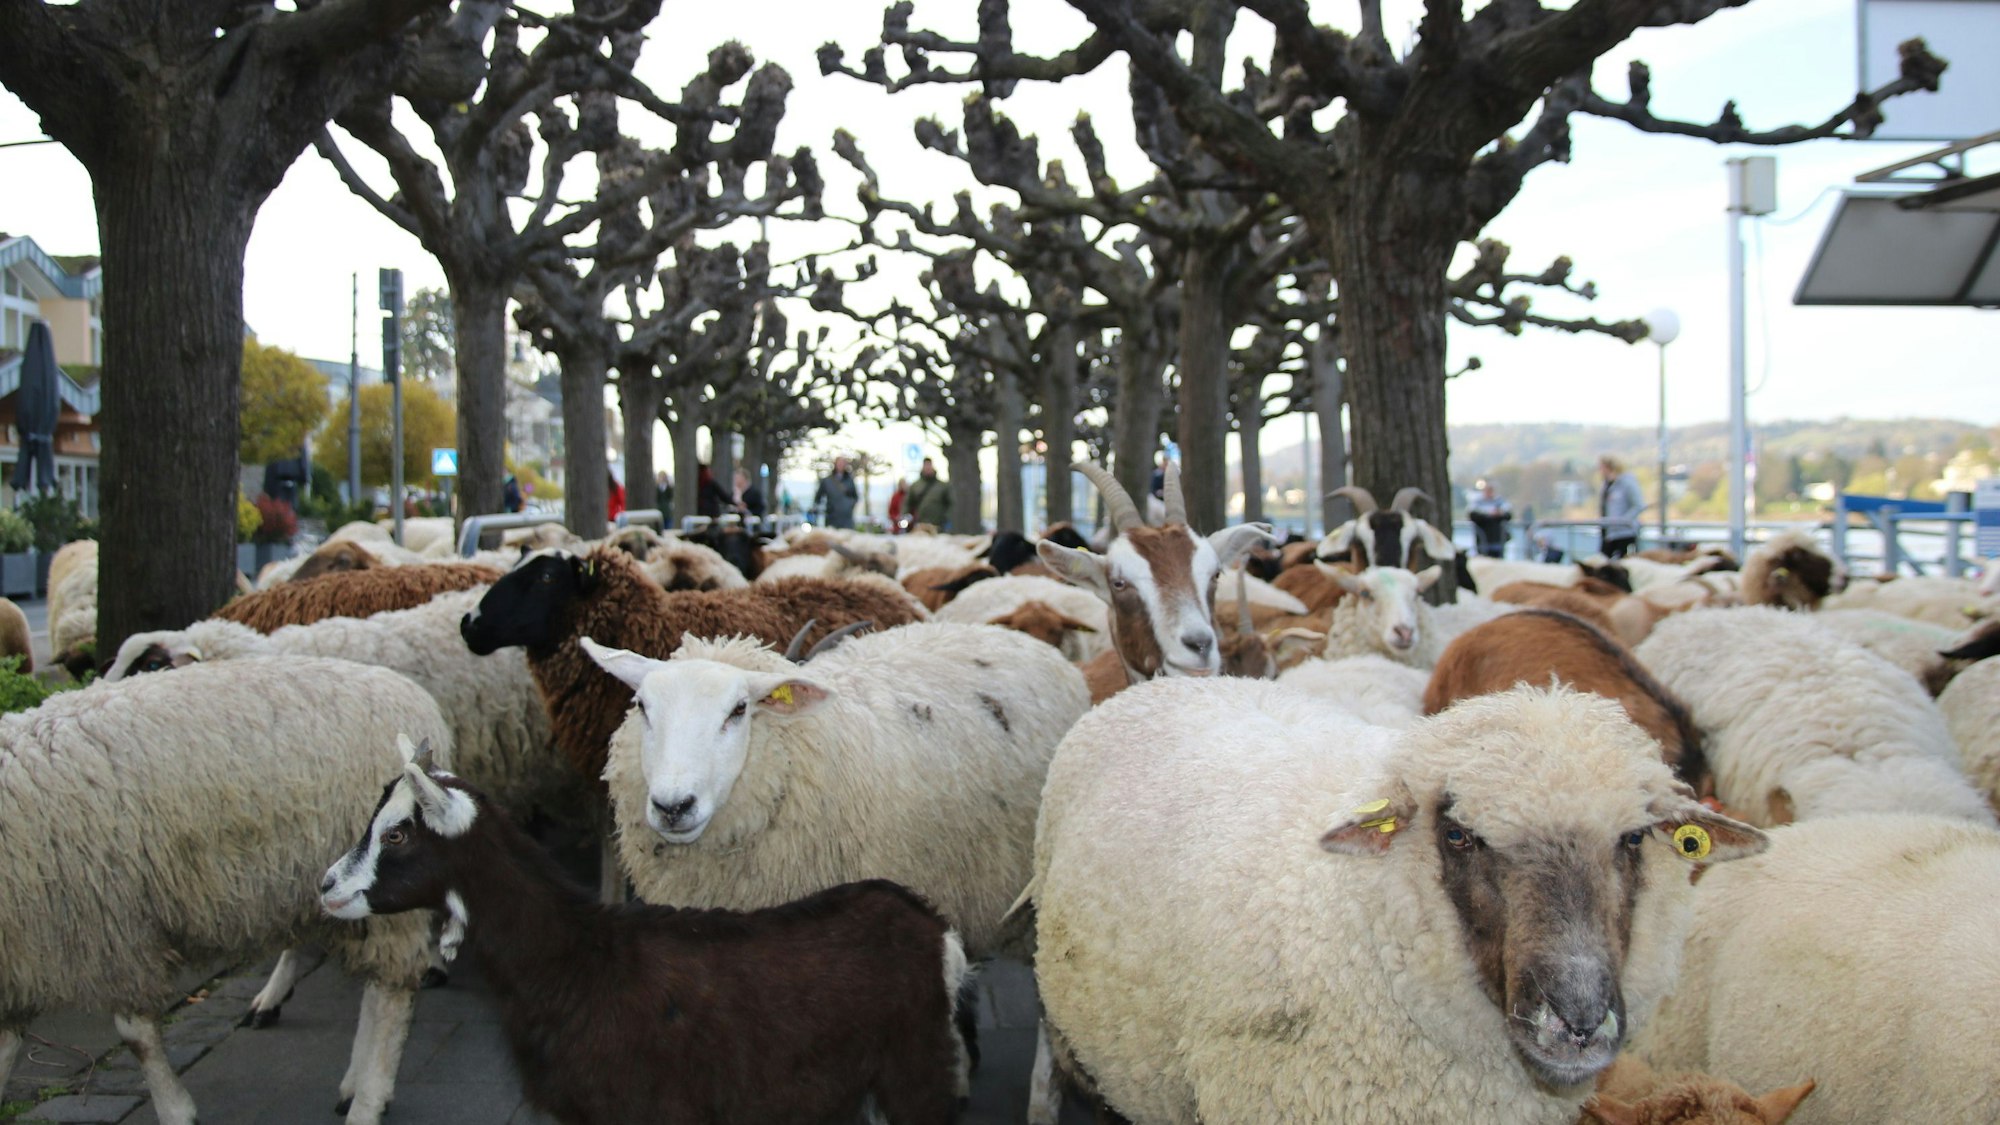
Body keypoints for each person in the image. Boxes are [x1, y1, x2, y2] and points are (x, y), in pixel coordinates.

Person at [1599, 455, 1644, 559]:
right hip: (1609, 533)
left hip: (1625, 533)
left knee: (1623, 563)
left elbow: (1638, 505)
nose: (1600, 470)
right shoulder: (1606, 485)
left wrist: (1624, 521)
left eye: (1601, 467)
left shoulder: (1627, 483)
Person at [1467, 481, 1512, 559]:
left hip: (1498, 539)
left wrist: (1498, 514)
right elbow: (1472, 515)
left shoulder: (1500, 502)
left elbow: (1508, 514)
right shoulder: (1477, 503)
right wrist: (1488, 515)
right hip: (1483, 539)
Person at [906, 456, 951, 531]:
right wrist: (906, 518)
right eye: (926, 465)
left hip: (938, 525)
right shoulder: (915, 486)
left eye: (929, 465)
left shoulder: (942, 486)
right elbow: (907, 504)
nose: (927, 468)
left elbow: (950, 504)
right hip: (920, 525)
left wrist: (947, 518)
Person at [815, 456, 859, 529]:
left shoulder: (850, 481)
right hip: (832, 518)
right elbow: (818, 497)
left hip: (846, 519)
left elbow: (855, 497)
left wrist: (849, 506)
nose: (841, 465)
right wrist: (825, 509)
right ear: (835, 464)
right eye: (839, 463)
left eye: (843, 463)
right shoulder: (827, 481)